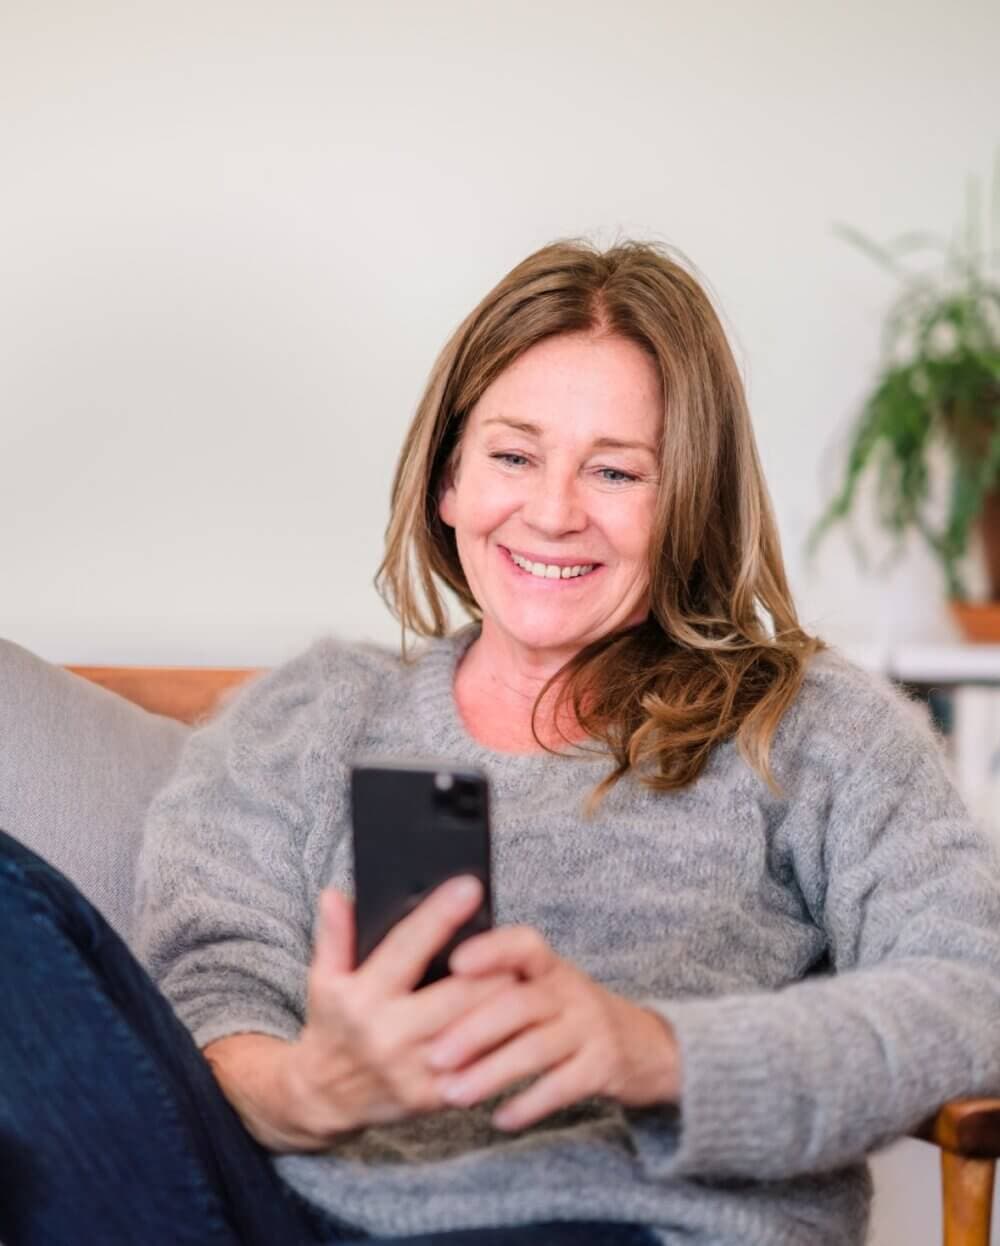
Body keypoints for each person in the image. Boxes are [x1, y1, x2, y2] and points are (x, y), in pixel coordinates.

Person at [3, 239, 1000, 1246]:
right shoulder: (303, 718)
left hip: (622, 1226)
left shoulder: (813, 727)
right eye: (513, 456)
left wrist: (652, 1050)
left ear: (690, 503)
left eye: (615, 471)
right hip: (293, 1221)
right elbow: (208, 1000)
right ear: (448, 482)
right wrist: (311, 1088)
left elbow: (974, 994)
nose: (554, 513)